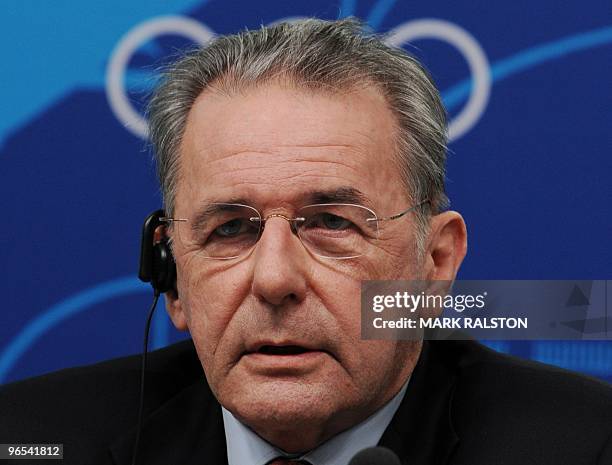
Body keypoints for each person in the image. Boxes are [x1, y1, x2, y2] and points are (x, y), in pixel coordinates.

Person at [1, 18, 611, 465]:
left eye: (331, 225)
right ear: (173, 276)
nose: (273, 280)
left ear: (435, 265)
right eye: (230, 229)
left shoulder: (586, 444)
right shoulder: (29, 436)